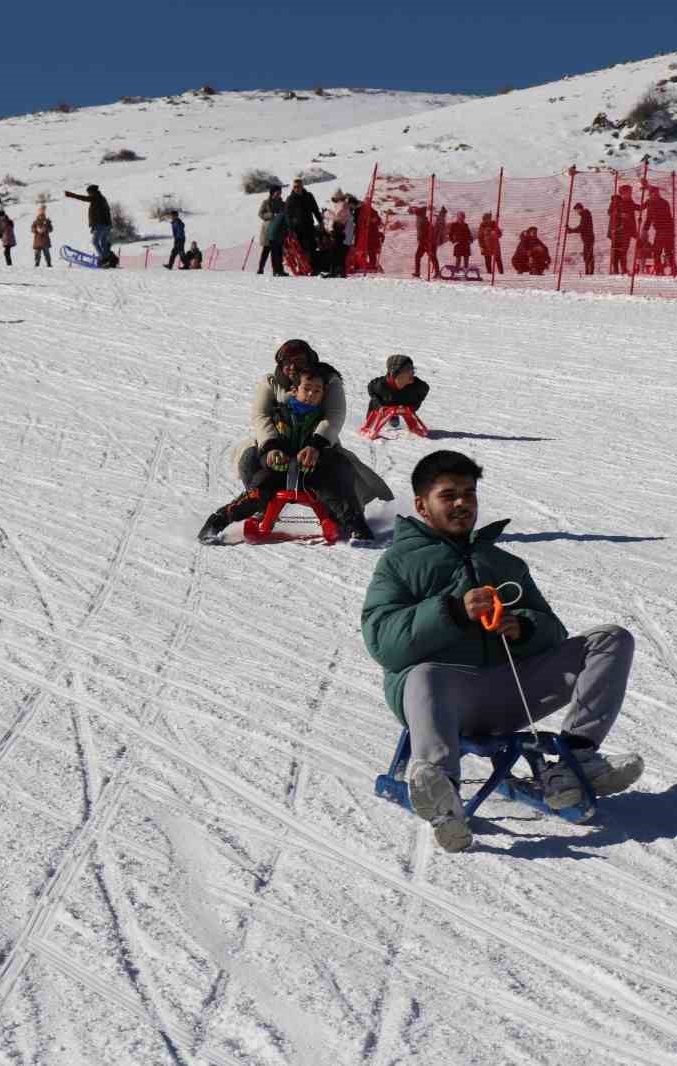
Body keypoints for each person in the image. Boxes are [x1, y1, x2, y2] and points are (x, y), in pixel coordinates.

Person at [360, 450, 644, 852]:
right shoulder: (398, 564)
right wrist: (454, 611)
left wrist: (523, 627)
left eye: (469, 494)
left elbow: (552, 631)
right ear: (422, 505)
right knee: (424, 673)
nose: (462, 504)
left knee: (611, 639)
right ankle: (441, 788)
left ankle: (575, 761)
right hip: (442, 699)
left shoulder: (503, 563)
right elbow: (383, 643)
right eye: (449, 495)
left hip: (510, 693)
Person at [198, 365, 377, 544]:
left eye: (317, 391)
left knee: (333, 489)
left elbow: (329, 448)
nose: (311, 395)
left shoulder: (324, 420)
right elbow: (267, 444)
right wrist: (273, 456)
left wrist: (317, 455)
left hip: (312, 473)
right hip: (279, 471)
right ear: (294, 390)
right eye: (306, 389)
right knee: (258, 491)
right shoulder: (279, 415)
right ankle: (217, 522)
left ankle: (356, 526)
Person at [230, 339, 393, 534]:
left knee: (339, 468)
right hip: (277, 444)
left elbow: (334, 415)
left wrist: (316, 445)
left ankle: (348, 517)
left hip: (317, 444)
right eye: (286, 362)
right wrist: (272, 445)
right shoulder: (271, 382)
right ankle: (260, 508)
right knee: (249, 459)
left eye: (298, 361)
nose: (291, 367)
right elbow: (260, 415)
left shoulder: (327, 380)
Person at [64, 184, 114, 264]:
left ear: (92, 192)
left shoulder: (95, 197)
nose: (88, 194)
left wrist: (71, 195)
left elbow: (84, 198)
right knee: (103, 242)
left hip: (100, 225)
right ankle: (109, 258)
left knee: (95, 242)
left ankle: (103, 259)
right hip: (107, 225)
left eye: (89, 192)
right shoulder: (102, 198)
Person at [285, 177, 323, 261]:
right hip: (298, 228)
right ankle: (306, 268)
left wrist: (321, 222)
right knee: (302, 249)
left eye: (299, 186)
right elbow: (288, 216)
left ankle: (314, 267)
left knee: (312, 246)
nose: (297, 188)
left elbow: (315, 210)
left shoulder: (309, 196)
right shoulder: (290, 199)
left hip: (309, 225)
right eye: (295, 187)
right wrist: (291, 229)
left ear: (302, 186)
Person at [643, 187, 677, 276]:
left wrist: (649, 203)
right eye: (651, 194)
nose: (652, 196)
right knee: (663, 251)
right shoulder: (653, 203)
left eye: (653, 194)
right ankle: (665, 270)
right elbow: (648, 218)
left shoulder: (662, 203)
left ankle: (666, 270)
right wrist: (645, 229)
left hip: (665, 229)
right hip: (663, 230)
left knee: (662, 251)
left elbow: (664, 217)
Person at [608, 184, 638, 275]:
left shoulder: (630, 202)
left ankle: (623, 269)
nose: (630, 194)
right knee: (617, 251)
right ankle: (616, 269)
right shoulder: (616, 201)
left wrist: (647, 203)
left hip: (626, 230)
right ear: (623, 193)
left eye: (630, 193)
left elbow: (637, 207)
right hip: (617, 230)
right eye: (629, 192)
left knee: (623, 250)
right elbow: (610, 212)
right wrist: (621, 215)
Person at [257, 187, 286, 275]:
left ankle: (279, 270)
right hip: (268, 230)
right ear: (272, 193)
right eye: (277, 192)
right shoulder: (266, 202)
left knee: (278, 251)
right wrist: (271, 215)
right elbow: (260, 214)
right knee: (266, 250)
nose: (279, 194)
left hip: (279, 230)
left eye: (280, 193)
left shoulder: (282, 203)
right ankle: (261, 268)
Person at [412, 205, 440, 279]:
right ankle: (417, 272)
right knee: (418, 256)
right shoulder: (421, 220)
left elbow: (426, 233)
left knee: (432, 256)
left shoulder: (423, 221)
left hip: (427, 242)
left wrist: (425, 241)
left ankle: (437, 272)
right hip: (423, 241)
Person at [567, 202, 595, 275]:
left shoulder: (585, 215)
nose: (576, 212)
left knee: (588, 256)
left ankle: (589, 272)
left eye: (576, 210)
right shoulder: (585, 215)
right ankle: (588, 272)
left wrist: (571, 230)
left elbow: (582, 228)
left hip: (588, 238)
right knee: (587, 255)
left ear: (579, 209)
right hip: (588, 238)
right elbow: (582, 227)